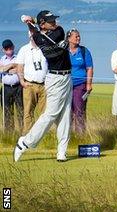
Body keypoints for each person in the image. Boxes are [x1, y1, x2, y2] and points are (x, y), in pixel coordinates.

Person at [14, 10, 73, 162]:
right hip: (54, 79)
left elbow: (38, 31)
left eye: (54, 19)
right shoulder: (39, 38)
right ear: (42, 24)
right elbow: (35, 33)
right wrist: (31, 24)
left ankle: (62, 152)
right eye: (50, 20)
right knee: (51, 114)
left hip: (67, 77)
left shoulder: (58, 31)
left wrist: (31, 20)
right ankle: (25, 142)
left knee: (65, 115)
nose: (54, 22)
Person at [15, 35, 48, 134]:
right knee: (28, 112)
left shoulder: (44, 48)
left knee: (45, 112)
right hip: (29, 85)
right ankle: (28, 135)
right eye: (33, 37)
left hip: (44, 85)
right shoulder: (24, 49)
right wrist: (22, 81)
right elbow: (20, 66)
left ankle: (43, 134)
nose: (35, 39)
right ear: (30, 37)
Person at [67, 29, 93, 134]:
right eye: (76, 36)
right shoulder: (64, 51)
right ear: (69, 38)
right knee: (67, 112)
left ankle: (80, 135)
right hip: (66, 85)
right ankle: (67, 135)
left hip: (80, 85)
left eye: (79, 36)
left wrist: (89, 84)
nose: (78, 38)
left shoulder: (84, 51)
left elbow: (89, 68)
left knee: (79, 111)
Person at [0, 39, 23, 131]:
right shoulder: (1, 59)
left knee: (20, 109)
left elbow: (20, 69)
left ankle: (22, 131)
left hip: (18, 87)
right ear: (3, 50)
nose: (9, 50)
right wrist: (12, 65)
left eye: (10, 47)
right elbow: (1, 70)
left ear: (13, 47)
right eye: (6, 48)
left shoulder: (18, 58)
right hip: (6, 88)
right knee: (7, 111)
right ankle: (9, 133)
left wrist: (7, 68)